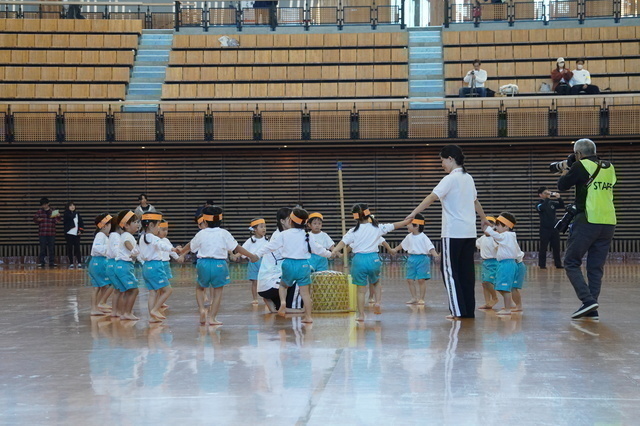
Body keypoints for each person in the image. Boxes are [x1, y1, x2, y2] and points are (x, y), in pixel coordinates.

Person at [407, 145, 490, 320]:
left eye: (442, 160)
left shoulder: (450, 179)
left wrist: (413, 213)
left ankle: (457, 311)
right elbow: (475, 201)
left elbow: (432, 197)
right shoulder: (469, 178)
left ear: (451, 159)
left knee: (449, 272)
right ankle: (467, 311)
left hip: (453, 233)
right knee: (466, 273)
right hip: (469, 233)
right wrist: (483, 218)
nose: (442, 164)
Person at [557, 138, 616, 320]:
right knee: (595, 266)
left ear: (578, 154)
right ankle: (592, 309)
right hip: (608, 222)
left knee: (571, 261)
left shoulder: (580, 165)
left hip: (588, 220)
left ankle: (587, 300)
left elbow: (562, 186)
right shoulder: (610, 167)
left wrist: (566, 168)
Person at [179, 206, 258, 325]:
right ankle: (212, 318)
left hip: (203, 263)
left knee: (200, 288)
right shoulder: (224, 233)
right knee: (218, 291)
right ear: (220, 220)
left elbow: (190, 245)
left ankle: (202, 310)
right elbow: (236, 247)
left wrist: (181, 251)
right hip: (219, 264)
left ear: (205, 221)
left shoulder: (201, 233)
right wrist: (251, 256)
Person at [331, 204, 410, 321]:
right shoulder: (377, 228)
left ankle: (361, 315)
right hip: (374, 259)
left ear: (355, 217)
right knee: (376, 282)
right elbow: (394, 225)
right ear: (368, 214)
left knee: (360, 290)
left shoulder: (353, 231)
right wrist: (407, 221)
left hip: (358, 261)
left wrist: (334, 251)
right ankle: (377, 302)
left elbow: (343, 242)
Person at [256, 207, 332, 324]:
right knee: (305, 293)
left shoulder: (284, 234)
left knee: (283, 286)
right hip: (303, 265)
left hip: (288, 264)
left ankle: (283, 303)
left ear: (291, 221)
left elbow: (269, 247)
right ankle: (308, 317)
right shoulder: (307, 235)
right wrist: (330, 254)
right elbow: (318, 249)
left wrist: (257, 254)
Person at [256, 207, 305, 315]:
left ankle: (274, 302)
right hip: (271, 283)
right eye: (289, 219)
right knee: (300, 277)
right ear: (282, 221)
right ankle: (294, 307)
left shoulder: (279, 234)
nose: (292, 221)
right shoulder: (281, 236)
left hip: (265, 284)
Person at [390, 213, 439, 306]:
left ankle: (421, 298)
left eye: (409, 224)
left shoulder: (423, 237)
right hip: (411, 259)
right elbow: (402, 245)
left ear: (416, 226)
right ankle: (414, 298)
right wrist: (395, 249)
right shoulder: (409, 236)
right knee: (410, 279)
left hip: (422, 259)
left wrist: (436, 255)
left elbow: (430, 247)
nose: (407, 226)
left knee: (421, 280)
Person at [138, 212, 178, 323]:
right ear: (151, 225)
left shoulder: (142, 237)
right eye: (158, 225)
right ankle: (155, 310)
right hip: (155, 266)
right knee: (168, 290)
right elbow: (162, 245)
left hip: (146, 267)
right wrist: (172, 249)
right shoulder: (152, 237)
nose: (159, 228)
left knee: (153, 293)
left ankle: (152, 317)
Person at [483, 212, 523, 315]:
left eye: (498, 225)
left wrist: (489, 229)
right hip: (504, 264)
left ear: (506, 226)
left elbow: (497, 236)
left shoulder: (507, 235)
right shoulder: (507, 236)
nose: (496, 227)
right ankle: (509, 307)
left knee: (505, 288)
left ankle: (507, 309)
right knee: (501, 287)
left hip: (507, 264)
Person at [114, 210, 141, 321]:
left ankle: (124, 312)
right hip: (124, 266)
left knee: (126, 291)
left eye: (137, 222)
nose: (137, 224)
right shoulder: (127, 236)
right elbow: (127, 243)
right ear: (126, 225)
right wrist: (133, 250)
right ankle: (127, 313)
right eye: (135, 222)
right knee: (134, 290)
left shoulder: (126, 235)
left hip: (120, 266)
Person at [88, 214, 113, 316]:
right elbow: (96, 248)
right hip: (99, 262)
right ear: (104, 226)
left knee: (100, 286)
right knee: (102, 286)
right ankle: (98, 305)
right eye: (110, 225)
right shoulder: (100, 235)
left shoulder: (103, 236)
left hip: (97, 262)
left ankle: (97, 306)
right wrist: (109, 250)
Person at [242, 218, 269, 305]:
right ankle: (255, 298)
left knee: (266, 281)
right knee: (255, 281)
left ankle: (267, 298)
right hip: (253, 263)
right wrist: (236, 256)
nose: (264, 228)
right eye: (261, 227)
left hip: (264, 262)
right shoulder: (250, 241)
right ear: (254, 229)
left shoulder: (268, 240)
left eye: (265, 226)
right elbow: (242, 250)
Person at [536, 187, 564, 269]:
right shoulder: (538, 204)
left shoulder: (552, 203)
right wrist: (547, 198)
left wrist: (559, 198)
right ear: (540, 195)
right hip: (544, 229)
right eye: (545, 193)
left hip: (554, 228)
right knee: (543, 247)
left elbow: (561, 205)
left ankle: (558, 264)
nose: (547, 194)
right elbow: (542, 207)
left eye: (548, 192)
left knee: (556, 247)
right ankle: (542, 264)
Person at [476, 216, 499, 310]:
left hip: (493, 262)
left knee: (488, 281)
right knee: (484, 284)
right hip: (485, 263)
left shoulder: (495, 238)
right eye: (485, 226)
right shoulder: (481, 239)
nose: (487, 228)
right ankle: (487, 302)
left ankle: (495, 297)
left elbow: (499, 248)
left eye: (490, 226)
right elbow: (476, 245)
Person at [33, 197, 62, 268]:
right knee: (42, 248)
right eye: (42, 205)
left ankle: (51, 262)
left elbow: (57, 221)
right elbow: (35, 219)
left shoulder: (53, 211)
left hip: (51, 232)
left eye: (45, 204)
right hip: (42, 233)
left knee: (51, 248)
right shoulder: (39, 211)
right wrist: (38, 219)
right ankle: (41, 262)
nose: (44, 206)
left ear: (48, 204)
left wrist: (58, 216)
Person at [64, 201, 85, 269]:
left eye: (73, 205)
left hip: (76, 234)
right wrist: (75, 213)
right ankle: (71, 263)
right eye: (70, 206)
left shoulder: (77, 214)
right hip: (69, 233)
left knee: (77, 248)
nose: (72, 207)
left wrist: (80, 231)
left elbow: (81, 223)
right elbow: (70, 217)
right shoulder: (66, 213)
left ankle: (79, 262)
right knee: (70, 248)